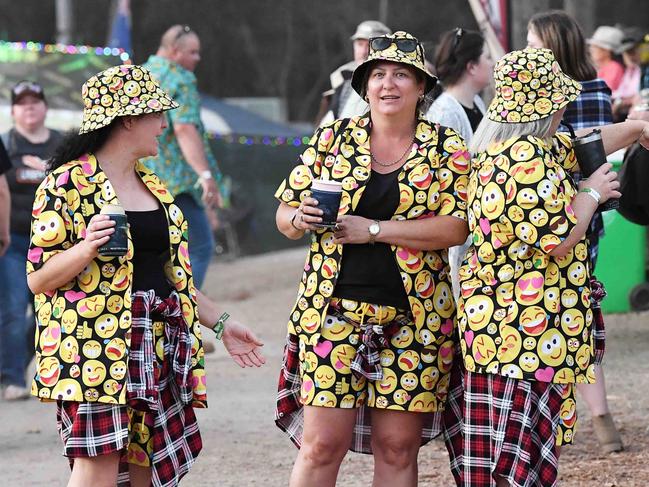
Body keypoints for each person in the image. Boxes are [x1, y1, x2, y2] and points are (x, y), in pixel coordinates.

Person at [26, 64, 264, 487]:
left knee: (146, 468)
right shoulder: (66, 183)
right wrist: (86, 247)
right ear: (129, 119)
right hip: (93, 349)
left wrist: (224, 323)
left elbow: (175, 279)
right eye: (157, 115)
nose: (163, 125)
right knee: (96, 465)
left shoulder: (153, 185)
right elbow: (38, 279)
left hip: (155, 345)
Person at [443, 47, 649, 487]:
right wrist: (592, 193)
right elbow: (557, 237)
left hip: (513, 335)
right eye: (559, 103)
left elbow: (585, 143)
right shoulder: (520, 160)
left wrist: (636, 128)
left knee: (516, 451)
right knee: (514, 457)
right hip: (518, 335)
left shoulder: (526, 145)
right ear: (547, 106)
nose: (564, 110)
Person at [275, 31, 471, 487]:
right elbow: (283, 215)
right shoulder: (333, 139)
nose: (388, 84)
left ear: (422, 87)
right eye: (378, 74)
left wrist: (376, 231)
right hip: (332, 314)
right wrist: (298, 218)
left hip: (415, 320)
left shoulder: (447, 148)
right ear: (363, 86)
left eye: (402, 75)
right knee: (321, 445)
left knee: (397, 448)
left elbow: (458, 226)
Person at [527, 10, 622, 454]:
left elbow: (574, 148)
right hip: (592, 208)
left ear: (550, 46)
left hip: (556, 211)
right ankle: (602, 422)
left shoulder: (541, 101)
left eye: (532, 41)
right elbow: (597, 146)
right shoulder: (599, 88)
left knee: (557, 317)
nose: (527, 49)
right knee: (579, 316)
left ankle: (553, 419)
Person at [143, 25, 223, 291]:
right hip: (176, 184)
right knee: (200, 247)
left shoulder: (141, 74)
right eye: (193, 52)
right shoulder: (181, 79)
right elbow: (185, 128)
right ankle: (180, 311)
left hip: (140, 181)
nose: (198, 58)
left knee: (155, 253)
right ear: (175, 52)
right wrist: (206, 175)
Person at [0, 80, 62, 401]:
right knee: (12, 308)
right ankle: (12, 379)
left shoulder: (62, 145)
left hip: (53, 245)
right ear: (13, 111)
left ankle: (17, 364)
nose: (29, 107)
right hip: (14, 242)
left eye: (34, 101)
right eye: (21, 103)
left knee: (44, 310)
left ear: (45, 107)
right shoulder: (5, 144)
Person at [426, 27, 493, 301]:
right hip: (457, 234)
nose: (493, 64)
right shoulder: (444, 113)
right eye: (488, 57)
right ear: (472, 66)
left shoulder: (477, 102)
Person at [315, 20, 391, 126]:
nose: (364, 51)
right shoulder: (343, 76)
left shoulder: (395, 83)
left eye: (370, 45)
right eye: (360, 44)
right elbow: (327, 124)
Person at [612, 28, 643, 122]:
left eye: (632, 51)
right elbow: (619, 94)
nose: (629, 56)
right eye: (625, 52)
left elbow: (638, 96)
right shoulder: (629, 71)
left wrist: (620, 103)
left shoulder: (643, 71)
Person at [587, 25, 625, 92]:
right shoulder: (598, 68)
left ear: (607, 51)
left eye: (595, 47)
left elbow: (606, 91)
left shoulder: (613, 67)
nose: (591, 50)